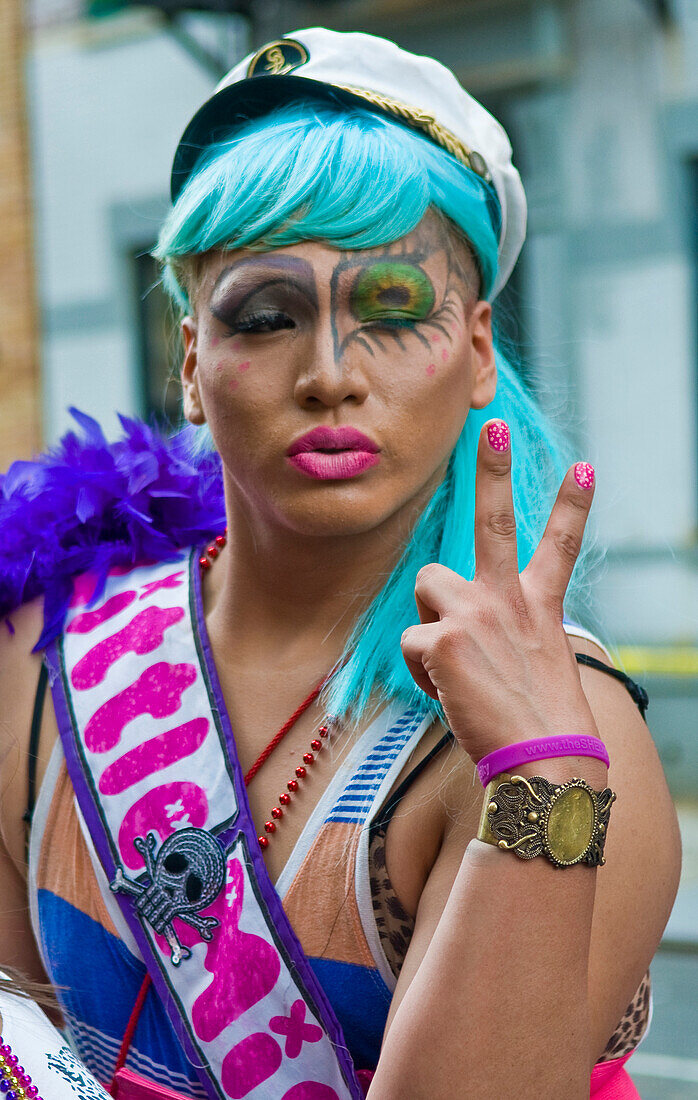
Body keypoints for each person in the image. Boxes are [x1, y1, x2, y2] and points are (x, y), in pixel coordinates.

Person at [0, 27, 681, 1100]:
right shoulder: (43, 656)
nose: (329, 373)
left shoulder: (570, 742)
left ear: (473, 352)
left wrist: (538, 779)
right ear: (190, 359)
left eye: (392, 311)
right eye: (265, 316)